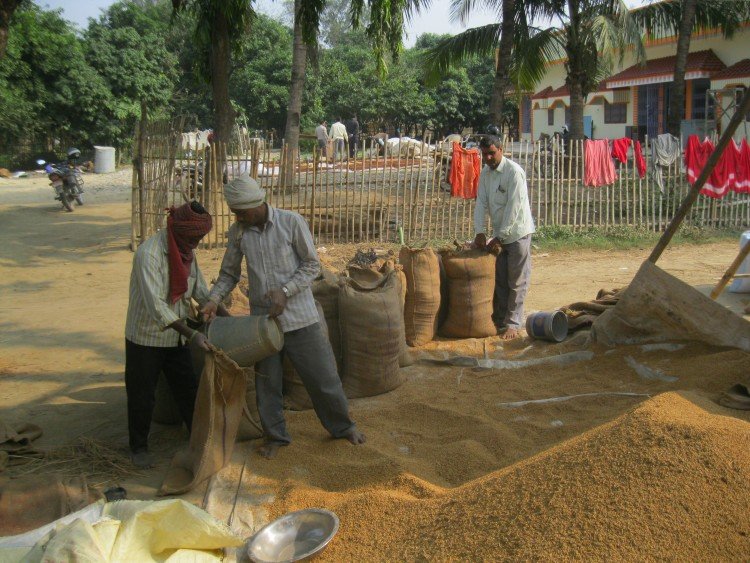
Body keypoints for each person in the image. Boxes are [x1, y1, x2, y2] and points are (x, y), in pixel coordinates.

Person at [201, 173, 366, 459]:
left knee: (323, 378)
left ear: (257, 204)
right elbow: (229, 273)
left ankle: (343, 427)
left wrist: (285, 291)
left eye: (241, 212)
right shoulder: (239, 232)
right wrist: (214, 299)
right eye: (234, 213)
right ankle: (276, 437)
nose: (237, 217)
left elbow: (312, 265)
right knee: (268, 384)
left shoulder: (291, 223)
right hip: (264, 325)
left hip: (301, 318)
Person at [124, 202, 228, 469]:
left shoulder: (185, 252)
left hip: (176, 337)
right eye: (193, 238)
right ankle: (138, 447)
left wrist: (215, 308)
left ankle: (200, 441)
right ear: (179, 230)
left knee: (187, 388)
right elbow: (157, 307)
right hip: (146, 336)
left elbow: (200, 290)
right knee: (142, 394)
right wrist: (192, 335)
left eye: (200, 238)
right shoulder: (149, 255)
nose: (196, 243)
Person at [472, 135, 535, 340]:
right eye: (485, 154)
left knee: (516, 281)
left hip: (517, 234)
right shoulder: (485, 174)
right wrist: (480, 232)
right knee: (500, 280)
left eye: (492, 153)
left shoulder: (514, 172)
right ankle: (500, 320)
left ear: (501, 149)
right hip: (499, 234)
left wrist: (500, 236)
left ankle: (513, 323)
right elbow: (481, 202)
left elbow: (514, 208)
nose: (488, 157)